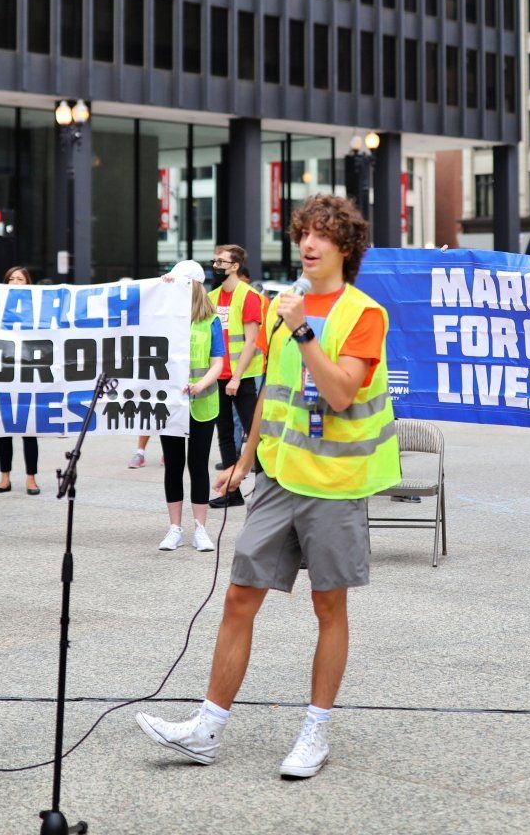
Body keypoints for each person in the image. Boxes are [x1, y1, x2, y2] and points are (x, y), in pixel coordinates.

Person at [137, 194, 398, 780]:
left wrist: (303, 328)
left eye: (323, 235)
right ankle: (207, 727)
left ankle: (316, 731)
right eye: (304, 233)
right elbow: (272, 395)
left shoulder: (363, 314)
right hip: (279, 477)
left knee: (329, 607)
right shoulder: (286, 309)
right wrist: (244, 460)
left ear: (346, 247)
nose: (309, 244)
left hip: (335, 482)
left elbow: (338, 394)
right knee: (238, 596)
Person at [157, 260, 226, 552]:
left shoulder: (209, 321)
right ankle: (175, 528)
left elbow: (218, 362)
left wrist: (200, 385)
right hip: (170, 404)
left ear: (194, 286)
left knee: (197, 465)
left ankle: (200, 529)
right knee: (173, 465)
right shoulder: (162, 317)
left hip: (202, 401)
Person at [209, 243, 264, 507]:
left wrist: (236, 378)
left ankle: (266, 492)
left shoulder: (249, 296)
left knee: (256, 432)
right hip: (219, 376)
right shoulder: (212, 297)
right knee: (225, 433)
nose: (216, 266)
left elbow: (251, 341)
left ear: (235, 266)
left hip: (242, 378)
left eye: (221, 262)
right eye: (215, 262)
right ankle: (232, 492)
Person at [0, 266, 38, 494]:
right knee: (4, 426)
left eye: (20, 279)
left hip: (28, 372)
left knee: (29, 427)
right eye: (11, 279)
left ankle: (31, 479)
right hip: (4, 371)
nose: (15, 283)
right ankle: (4, 478)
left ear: (28, 283)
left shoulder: (36, 309)